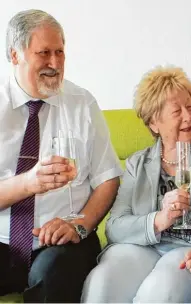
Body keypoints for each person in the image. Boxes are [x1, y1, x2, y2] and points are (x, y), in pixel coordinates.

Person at [81, 66, 191, 303]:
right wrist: (158, 220)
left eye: (190, 107)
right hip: (143, 249)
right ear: (154, 123)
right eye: (177, 111)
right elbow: (114, 226)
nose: (188, 117)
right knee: (102, 281)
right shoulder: (137, 163)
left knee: (159, 290)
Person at [0, 9, 123, 302]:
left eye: (60, 52)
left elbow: (108, 179)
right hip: (3, 239)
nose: (54, 63)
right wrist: (28, 183)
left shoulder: (82, 104)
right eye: (44, 53)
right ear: (15, 55)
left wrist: (79, 225)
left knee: (54, 271)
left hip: (65, 240)